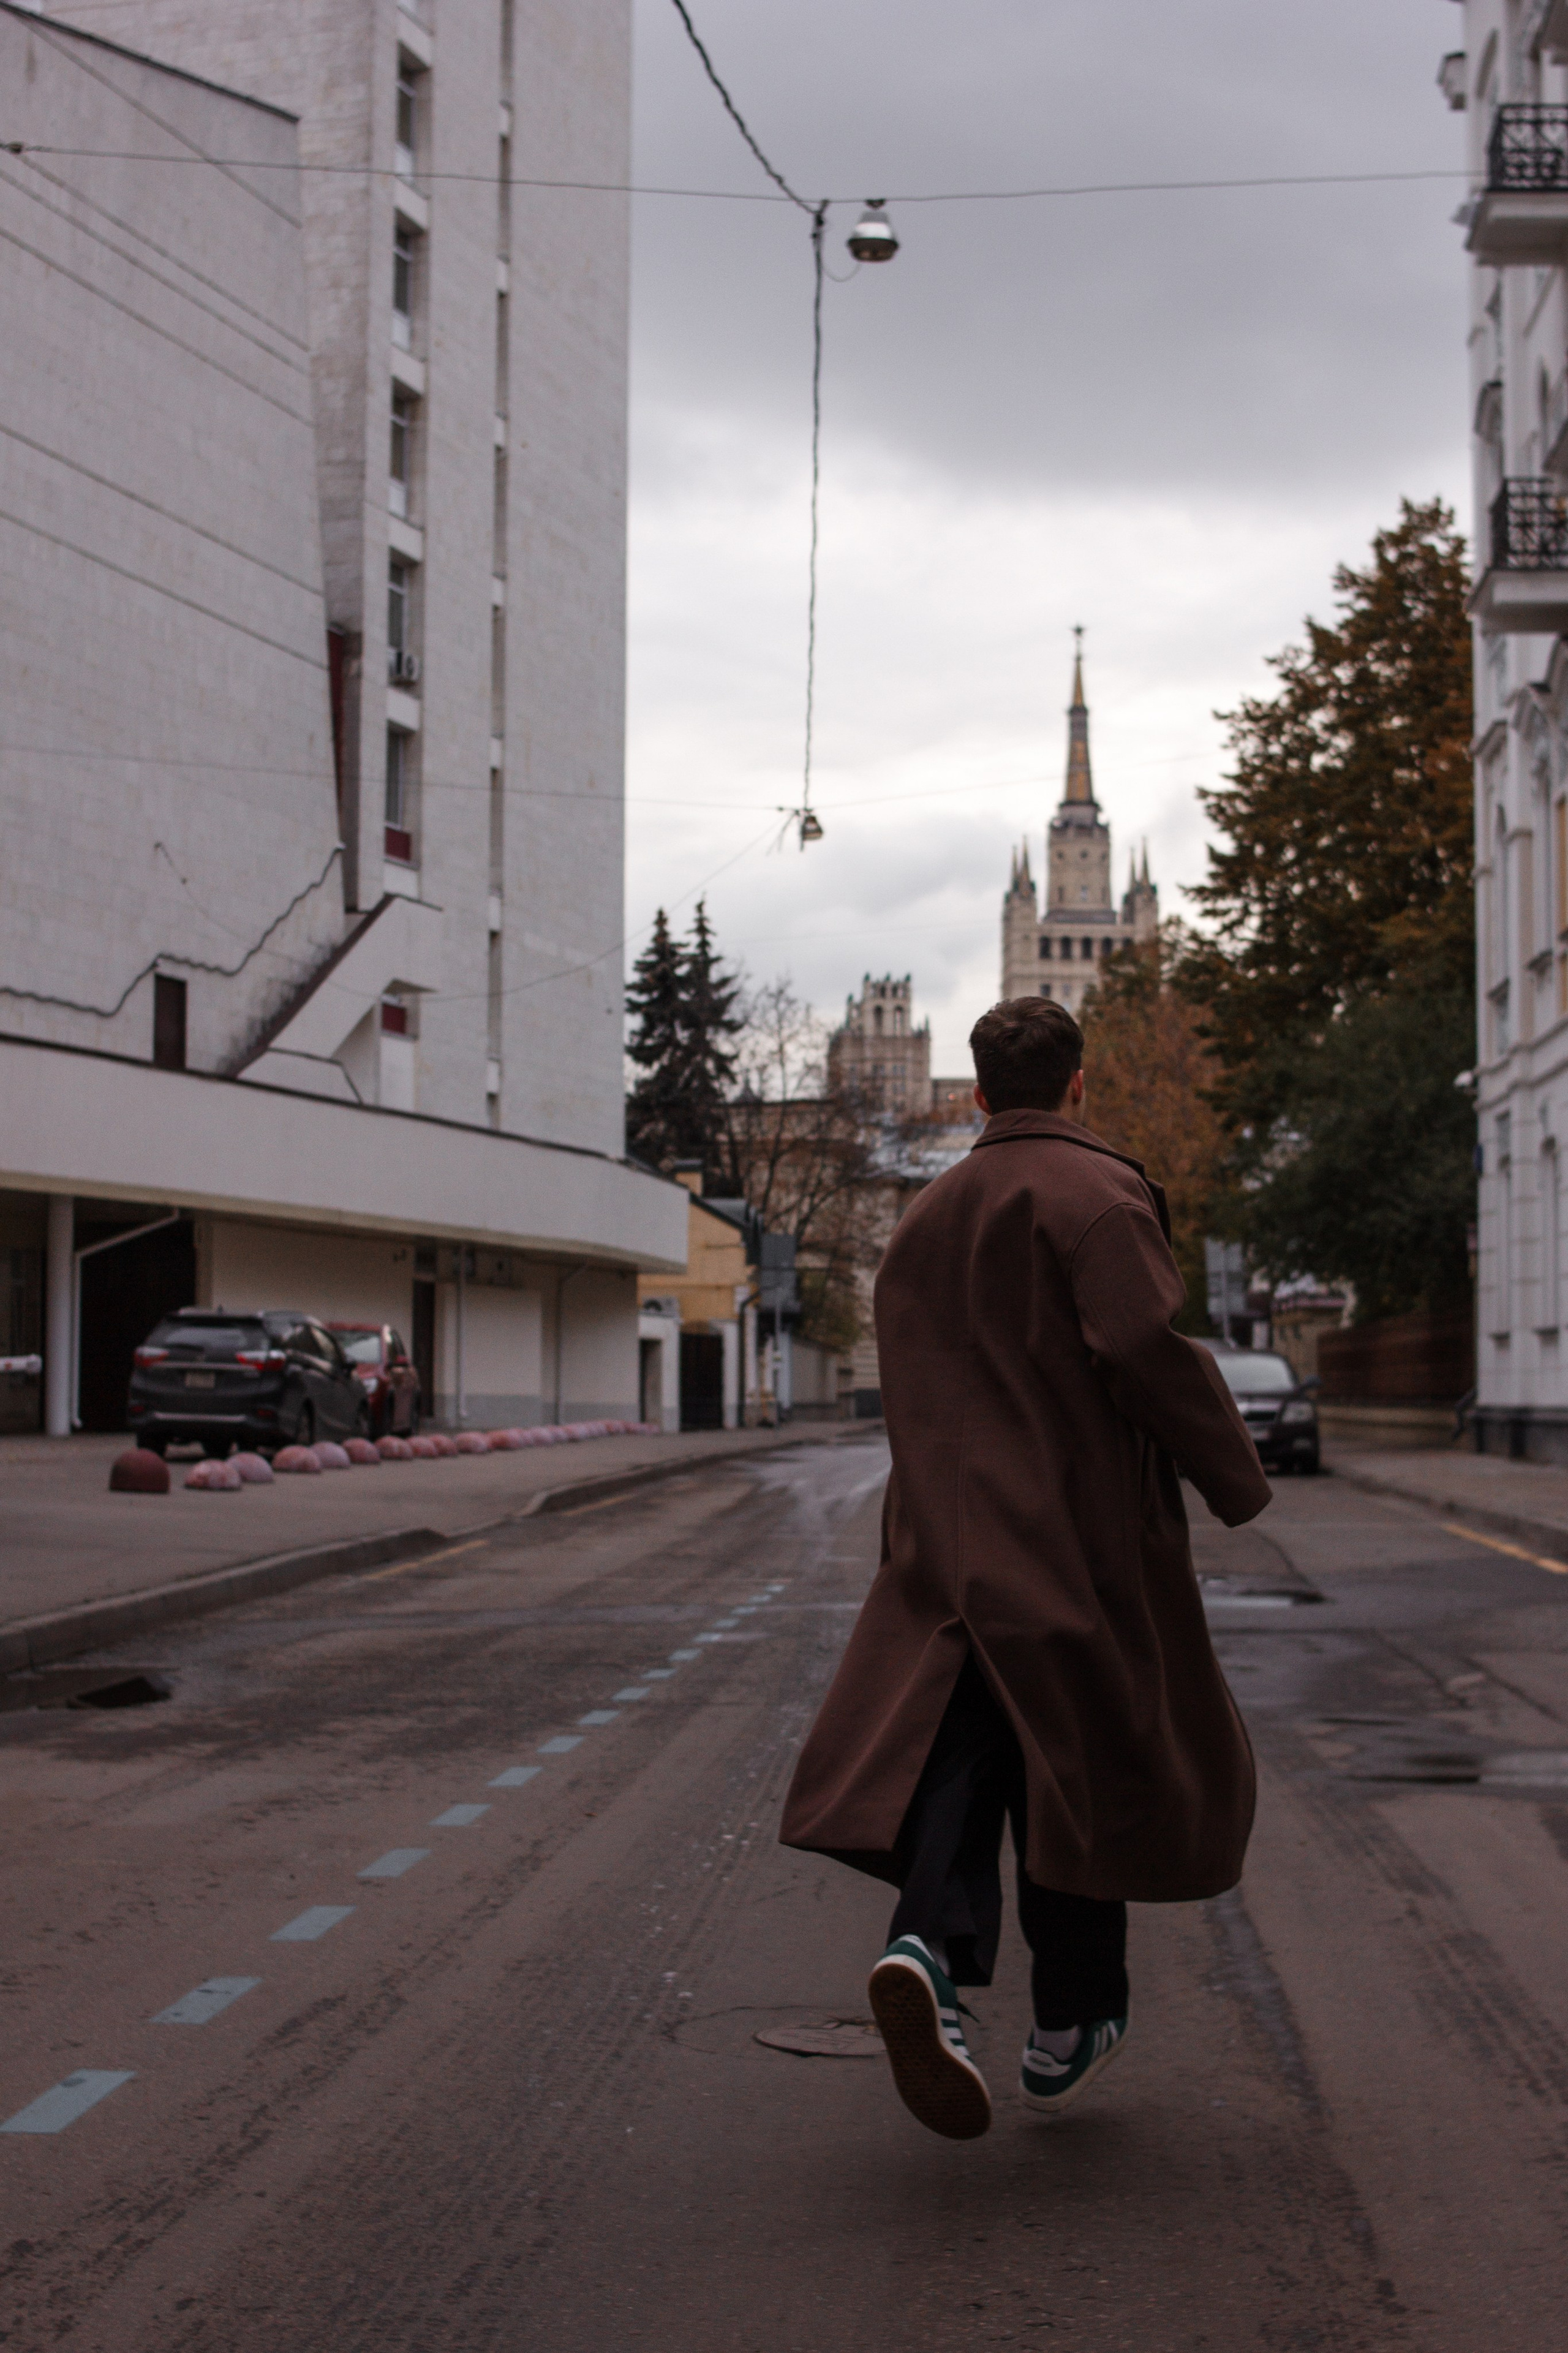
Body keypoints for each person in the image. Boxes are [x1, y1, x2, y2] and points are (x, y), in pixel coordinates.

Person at [779, 995, 1272, 2139]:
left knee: (967, 1747)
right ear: (1081, 1084)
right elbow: (1147, 1350)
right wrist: (1232, 1476)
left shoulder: (926, 1213)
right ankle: (1070, 2019)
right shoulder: (1098, 1196)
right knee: (1080, 1765)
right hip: (1071, 1540)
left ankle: (928, 1948)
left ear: (983, 1092)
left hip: (946, 1546)